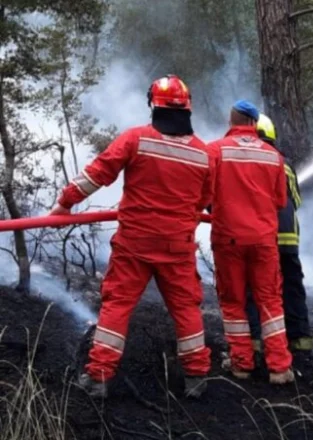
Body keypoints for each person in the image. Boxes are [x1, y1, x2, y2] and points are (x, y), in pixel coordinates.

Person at [48, 74, 214, 399]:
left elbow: (97, 173)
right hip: (178, 245)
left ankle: (98, 378)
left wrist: (64, 204)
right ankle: (196, 378)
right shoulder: (204, 155)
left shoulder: (136, 140)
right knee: (186, 309)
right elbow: (205, 200)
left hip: (135, 243)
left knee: (118, 306)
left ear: (153, 105)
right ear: (187, 109)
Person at [206, 100, 294, 384]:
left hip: (228, 238)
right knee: (270, 301)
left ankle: (242, 364)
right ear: (254, 124)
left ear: (230, 123)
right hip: (264, 241)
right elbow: (281, 200)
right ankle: (279, 368)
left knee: (233, 302)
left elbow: (204, 195)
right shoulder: (273, 156)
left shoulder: (215, 151)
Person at [245, 114, 313, 352]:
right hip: (289, 238)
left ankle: (256, 341)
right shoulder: (284, 163)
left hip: (264, 236)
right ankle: (300, 338)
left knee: (256, 287)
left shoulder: (252, 162)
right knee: (292, 285)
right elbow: (296, 200)